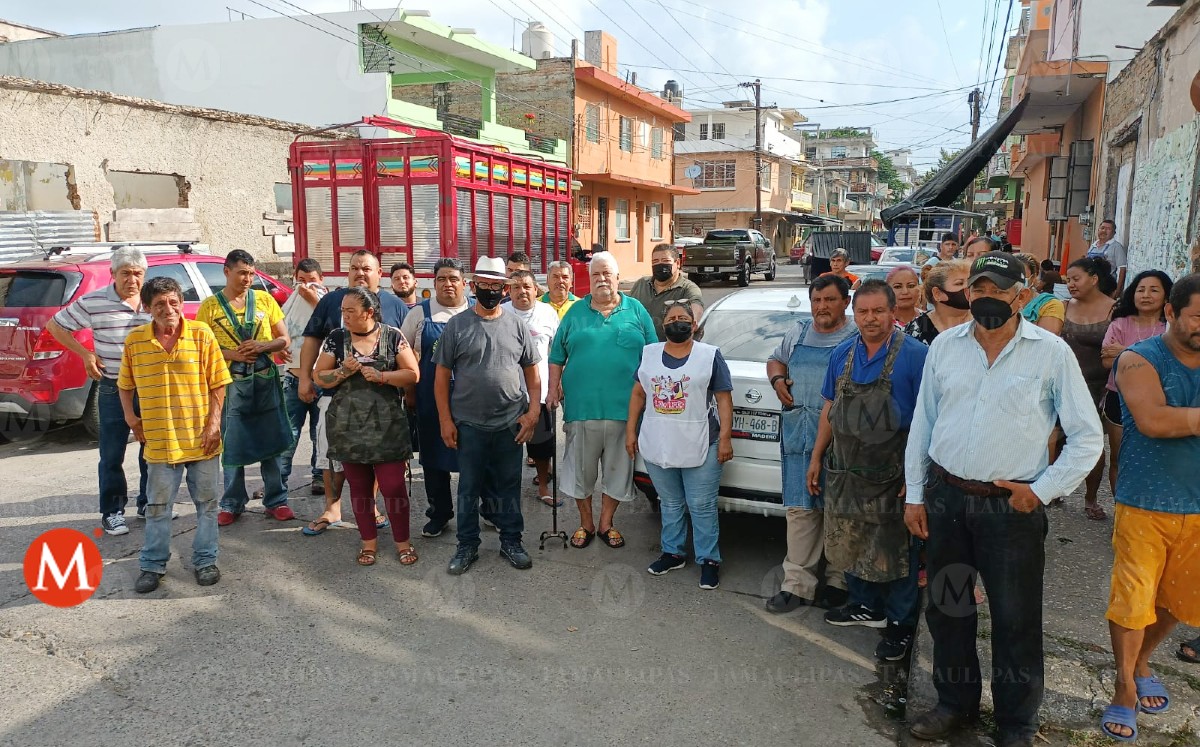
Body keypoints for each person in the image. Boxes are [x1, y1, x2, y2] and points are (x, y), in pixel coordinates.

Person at [903, 252, 1104, 747]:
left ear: (1022, 296)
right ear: (966, 293)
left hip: (1009, 511)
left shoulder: (1050, 354)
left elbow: (1087, 436)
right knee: (948, 608)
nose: (986, 298)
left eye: (999, 289)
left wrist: (1042, 491)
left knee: (1015, 618)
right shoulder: (945, 347)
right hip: (947, 500)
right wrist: (914, 495)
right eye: (978, 288)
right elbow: (923, 425)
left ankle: (1016, 724)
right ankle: (955, 703)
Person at [1100, 273, 1200, 742]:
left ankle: (1142, 662)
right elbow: (1154, 420)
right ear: (1171, 314)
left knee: (1177, 601)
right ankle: (1123, 688)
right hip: (1146, 501)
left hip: (1198, 505)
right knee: (1133, 601)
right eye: (1198, 317)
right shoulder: (1138, 359)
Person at [809, 280, 928, 660]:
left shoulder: (915, 356)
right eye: (863, 312)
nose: (871, 318)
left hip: (894, 473)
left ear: (894, 313)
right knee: (853, 539)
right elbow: (829, 408)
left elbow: (929, 422)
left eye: (879, 311)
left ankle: (900, 625)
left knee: (897, 551)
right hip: (847, 470)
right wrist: (817, 457)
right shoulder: (842, 354)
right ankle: (865, 606)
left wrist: (916, 478)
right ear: (854, 314)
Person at [119, 276, 231, 593]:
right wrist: (131, 417)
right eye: (159, 304)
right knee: (157, 507)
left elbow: (218, 382)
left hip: (202, 438)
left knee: (207, 505)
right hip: (160, 439)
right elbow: (124, 386)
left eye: (173, 301)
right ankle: (152, 566)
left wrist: (214, 424)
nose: (168, 309)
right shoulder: (136, 341)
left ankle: (205, 561)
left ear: (181, 302)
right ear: (147, 308)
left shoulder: (201, 334)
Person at [434, 257, 541, 575]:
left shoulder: (517, 325)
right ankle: (467, 545)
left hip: (510, 422)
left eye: (497, 286)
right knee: (469, 486)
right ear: (474, 285)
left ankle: (512, 540)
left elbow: (533, 374)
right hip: (469, 424)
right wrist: (445, 420)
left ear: (504, 288)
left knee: (510, 485)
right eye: (485, 285)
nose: (491, 290)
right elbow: (441, 377)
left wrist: (533, 412)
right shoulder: (457, 325)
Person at [547, 251, 657, 550]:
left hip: (626, 411)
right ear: (589, 280)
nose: (602, 279)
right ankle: (586, 523)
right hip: (581, 410)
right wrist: (553, 387)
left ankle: (607, 522)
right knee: (581, 472)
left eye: (607, 273)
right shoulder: (575, 313)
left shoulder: (636, 310)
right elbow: (557, 356)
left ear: (618, 278)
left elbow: (653, 355)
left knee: (618, 471)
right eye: (596, 274)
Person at [764, 275, 857, 613]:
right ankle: (798, 585)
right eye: (817, 300)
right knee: (801, 511)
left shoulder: (857, 335)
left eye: (830, 300)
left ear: (845, 302)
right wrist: (776, 379)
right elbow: (775, 360)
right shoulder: (799, 332)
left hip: (843, 439)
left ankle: (838, 581)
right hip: (799, 435)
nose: (822, 307)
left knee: (839, 511)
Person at [298, 250, 407, 536]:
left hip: (380, 403)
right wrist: (305, 379)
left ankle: (370, 507)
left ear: (379, 273)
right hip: (335, 397)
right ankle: (331, 508)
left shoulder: (394, 304)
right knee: (331, 455)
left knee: (372, 455)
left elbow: (408, 353)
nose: (360, 273)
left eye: (366, 268)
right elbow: (312, 339)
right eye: (354, 268)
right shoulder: (332, 301)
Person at [627, 302, 733, 590]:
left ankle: (709, 560)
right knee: (670, 502)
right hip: (658, 441)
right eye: (671, 318)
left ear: (694, 324)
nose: (677, 322)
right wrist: (630, 432)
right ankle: (673, 553)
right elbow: (638, 394)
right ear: (663, 325)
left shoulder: (709, 355)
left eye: (683, 318)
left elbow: (723, 397)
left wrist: (725, 438)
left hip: (702, 441)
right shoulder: (649, 354)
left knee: (701, 505)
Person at [47, 246, 152, 536]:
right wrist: (85, 354)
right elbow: (55, 326)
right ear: (113, 274)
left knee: (152, 449)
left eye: (137, 273)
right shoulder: (94, 302)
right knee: (112, 453)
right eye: (125, 273)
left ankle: (148, 503)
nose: (132, 279)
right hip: (114, 388)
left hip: (152, 387)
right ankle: (113, 512)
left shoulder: (153, 302)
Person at [313, 288, 420, 566]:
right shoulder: (336, 339)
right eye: (343, 312)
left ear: (369, 312)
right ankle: (368, 543)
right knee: (359, 487)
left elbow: (412, 374)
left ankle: (402, 542)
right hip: (348, 426)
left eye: (351, 311)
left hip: (387, 427)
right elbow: (319, 377)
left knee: (393, 486)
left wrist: (383, 376)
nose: (344, 316)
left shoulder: (393, 336)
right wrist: (342, 371)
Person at [195, 250, 293, 526]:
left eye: (251, 273)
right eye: (242, 273)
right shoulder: (210, 307)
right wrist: (232, 355)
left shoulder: (264, 300)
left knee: (272, 441)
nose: (248, 279)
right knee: (233, 444)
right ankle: (232, 502)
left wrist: (264, 345)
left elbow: (284, 339)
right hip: (230, 385)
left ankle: (276, 500)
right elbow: (202, 349)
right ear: (227, 272)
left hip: (264, 380)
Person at [400, 258, 472, 538]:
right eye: (442, 278)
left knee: (475, 458)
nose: (448, 284)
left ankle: (483, 511)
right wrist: (410, 395)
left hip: (471, 399)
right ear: (433, 283)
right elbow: (404, 358)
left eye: (454, 278)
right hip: (430, 398)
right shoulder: (419, 314)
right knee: (433, 460)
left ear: (464, 283)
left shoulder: (476, 311)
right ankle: (439, 513)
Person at [1099, 270, 1173, 497]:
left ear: (1166, 296)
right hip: (1118, 398)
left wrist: (1127, 352)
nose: (1146, 295)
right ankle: (1120, 512)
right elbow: (1108, 361)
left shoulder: (1171, 328)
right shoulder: (1120, 324)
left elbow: (1171, 367)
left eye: (1153, 290)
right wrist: (1149, 359)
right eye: (1140, 289)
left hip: (1161, 401)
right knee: (1120, 458)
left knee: (1156, 460)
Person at [1059, 256, 1116, 520]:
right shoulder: (1061, 307)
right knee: (1055, 440)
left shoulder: (1115, 310)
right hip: (1061, 385)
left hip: (1098, 388)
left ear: (1094, 279)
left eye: (1076, 278)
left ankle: (1090, 498)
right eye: (1068, 279)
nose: (1070, 284)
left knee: (1093, 445)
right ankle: (1054, 489)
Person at [508, 269, 560, 503]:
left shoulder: (547, 313)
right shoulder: (501, 313)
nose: (522, 291)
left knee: (541, 447)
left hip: (539, 393)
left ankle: (543, 489)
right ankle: (505, 494)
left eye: (527, 286)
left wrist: (555, 387)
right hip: (507, 394)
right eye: (516, 287)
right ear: (509, 291)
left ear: (536, 289)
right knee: (505, 448)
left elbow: (558, 353)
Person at [279, 258, 327, 495]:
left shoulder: (328, 300)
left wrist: (314, 299)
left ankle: (319, 477)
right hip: (292, 378)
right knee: (289, 432)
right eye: (301, 281)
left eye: (312, 281)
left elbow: (334, 326)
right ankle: (278, 482)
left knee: (319, 432)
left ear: (321, 280)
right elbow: (280, 329)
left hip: (320, 379)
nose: (307, 286)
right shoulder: (291, 300)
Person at [627, 243, 703, 341]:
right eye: (655, 261)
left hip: (670, 350)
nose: (660, 265)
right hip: (641, 349)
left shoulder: (687, 288)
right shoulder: (641, 284)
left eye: (665, 261)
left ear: (678, 263)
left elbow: (696, 304)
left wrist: (693, 319)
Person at [904, 260, 971, 345]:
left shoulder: (984, 322)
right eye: (959, 283)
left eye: (970, 282)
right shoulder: (917, 329)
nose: (968, 287)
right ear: (937, 293)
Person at [1013, 252, 1065, 335]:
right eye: (1011, 276)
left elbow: (1047, 340)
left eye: (1021, 276)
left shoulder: (1049, 304)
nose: (1015, 280)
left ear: (1033, 277)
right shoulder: (999, 299)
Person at [1087, 219, 1128, 284]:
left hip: (1106, 285)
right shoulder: (1093, 246)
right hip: (1090, 284)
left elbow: (1122, 270)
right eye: (1102, 228)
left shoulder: (1116, 247)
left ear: (1114, 233)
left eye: (1108, 229)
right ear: (1098, 230)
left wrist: (1117, 291)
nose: (1104, 231)